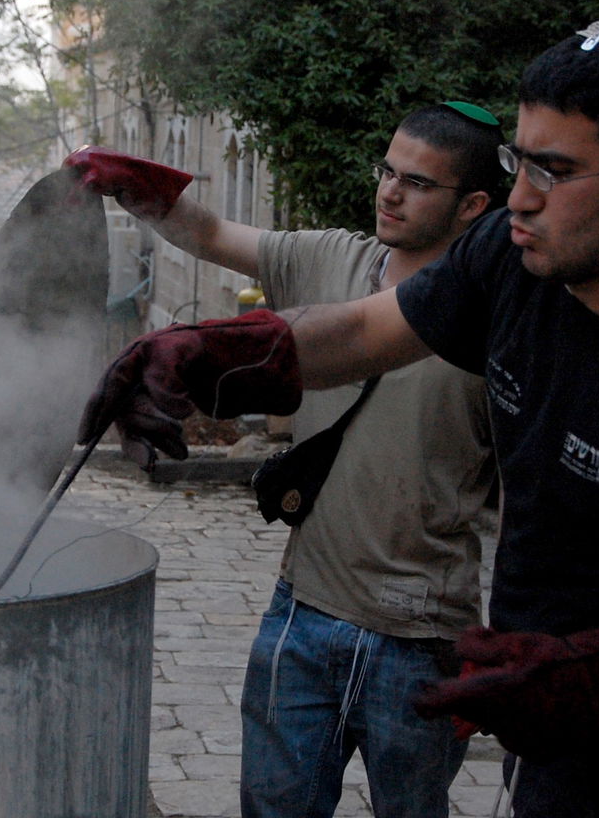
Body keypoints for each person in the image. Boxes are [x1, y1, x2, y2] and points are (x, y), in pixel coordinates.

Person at [75, 20, 599, 817]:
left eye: (556, 170)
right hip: (552, 743)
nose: (520, 196)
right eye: (519, 160)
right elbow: (365, 330)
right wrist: (204, 355)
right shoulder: (513, 258)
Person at [65, 101, 505, 818]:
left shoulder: (496, 315)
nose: (389, 192)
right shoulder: (332, 258)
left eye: (418, 183)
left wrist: (507, 637)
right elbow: (208, 232)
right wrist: (134, 188)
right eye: (387, 171)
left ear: (473, 206)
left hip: (424, 639)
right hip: (301, 615)